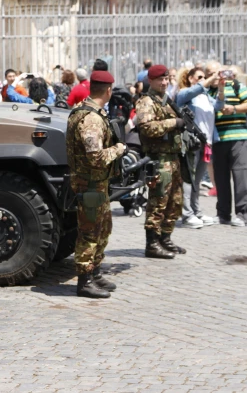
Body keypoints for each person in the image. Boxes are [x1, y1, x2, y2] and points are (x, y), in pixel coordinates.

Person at [66, 70, 126, 299]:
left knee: (103, 228)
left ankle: (95, 272)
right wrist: (119, 149)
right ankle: (84, 280)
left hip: (96, 183)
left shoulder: (87, 111)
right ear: (108, 90)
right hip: (89, 183)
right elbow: (96, 157)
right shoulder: (90, 118)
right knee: (90, 232)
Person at [134, 65, 185, 259]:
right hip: (158, 159)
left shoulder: (166, 101)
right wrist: (173, 123)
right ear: (151, 81)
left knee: (175, 201)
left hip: (172, 157)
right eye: (160, 80)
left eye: (166, 79)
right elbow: (146, 127)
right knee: (158, 202)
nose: (164, 83)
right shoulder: (146, 101)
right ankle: (152, 243)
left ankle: (165, 238)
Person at [175, 67, 223, 228]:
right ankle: (187, 215)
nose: (203, 79)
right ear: (190, 79)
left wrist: (221, 87)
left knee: (197, 180)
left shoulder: (206, 96)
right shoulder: (185, 93)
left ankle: (196, 211)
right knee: (188, 178)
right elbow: (186, 95)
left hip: (206, 142)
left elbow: (219, 105)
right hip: (192, 142)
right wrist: (209, 79)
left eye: (204, 77)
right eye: (199, 77)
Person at [206, 61, 247, 226]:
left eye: (218, 72)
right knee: (221, 177)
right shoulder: (209, 91)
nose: (216, 76)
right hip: (218, 138)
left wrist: (234, 109)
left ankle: (243, 214)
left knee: (241, 176)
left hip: (238, 136)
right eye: (210, 73)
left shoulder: (238, 86)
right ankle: (223, 214)